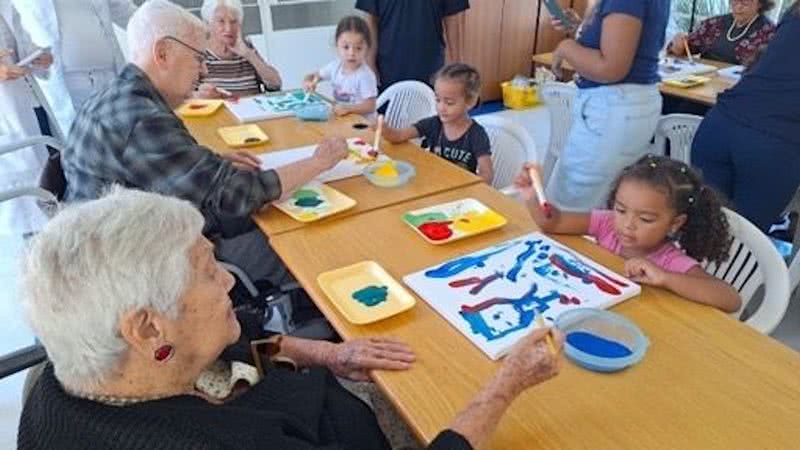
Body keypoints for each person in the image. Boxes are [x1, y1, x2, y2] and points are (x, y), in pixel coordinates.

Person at [17, 187, 563, 449]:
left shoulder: (86, 374)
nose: (229, 280)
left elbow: (244, 350)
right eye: (208, 271)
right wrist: (503, 388)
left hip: (319, 403)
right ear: (148, 327)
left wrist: (328, 352)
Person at [60, 0, 347, 286]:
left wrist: (205, 161)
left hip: (118, 241)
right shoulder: (142, 119)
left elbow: (160, 167)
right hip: (144, 269)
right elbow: (238, 194)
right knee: (305, 245)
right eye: (198, 58)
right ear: (162, 53)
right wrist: (318, 162)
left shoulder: (118, 96)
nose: (204, 72)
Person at [515, 155, 741, 313]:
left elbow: (730, 299)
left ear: (675, 223)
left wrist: (665, 277)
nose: (627, 224)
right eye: (621, 210)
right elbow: (555, 223)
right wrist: (533, 196)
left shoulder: (669, 260)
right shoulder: (607, 224)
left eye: (645, 219)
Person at [547, 0, 669, 211]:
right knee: (606, 205)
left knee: (570, 209)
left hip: (613, 107)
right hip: (625, 106)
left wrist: (565, 48)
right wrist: (583, 27)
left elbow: (611, 68)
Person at [691, 3, 800, 232]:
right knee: (744, 244)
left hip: (720, 124)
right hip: (773, 141)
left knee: (703, 232)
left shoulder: (794, 13)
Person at [12, 0, 137, 133]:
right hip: (69, 86)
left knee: (129, 136)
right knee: (87, 145)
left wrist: (158, 29)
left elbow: (124, 10)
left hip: (110, 75)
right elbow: (15, 30)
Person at [381, 63, 493, 183]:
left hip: (460, 191)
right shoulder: (433, 124)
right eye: (438, 100)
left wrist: (473, 185)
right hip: (434, 183)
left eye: (449, 103)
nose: (441, 107)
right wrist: (384, 129)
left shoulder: (477, 134)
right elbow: (398, 136)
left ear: (470, 101)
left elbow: (487, 174)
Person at [0, 2, 54, 237]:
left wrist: (39, 57)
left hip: (32, 103)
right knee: (28, 210)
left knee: (52, 181)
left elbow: (22, 43)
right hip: (8, 115)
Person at [355, 0, 470, 90]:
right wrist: (370, 65)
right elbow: (370, 18)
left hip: (430, 66)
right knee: (387, 117)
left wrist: (456, 69)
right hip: (387, 66)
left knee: (429, 117)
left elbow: (454, 18)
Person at [195, 0, 281, 99]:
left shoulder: (246, 48)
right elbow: (182, 98)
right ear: (208, 24)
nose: (228, 28)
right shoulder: (198, 53)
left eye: (233, 22)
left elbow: (275, 85)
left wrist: (249, 55)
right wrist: (198, 96)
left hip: (251, 112)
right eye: (221, 21)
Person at [303, 16, 377, 119]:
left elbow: (370, 106)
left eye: (358, 48)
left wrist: (348, 108)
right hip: (344, 120)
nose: (351, 53)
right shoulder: (335, 67)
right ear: (337, 46)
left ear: (367, 48)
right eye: (346, 47)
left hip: (363, 126)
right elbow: (313, 76)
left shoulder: (365, 76)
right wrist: (308, 82)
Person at [668, 0, 775, 66]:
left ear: (760, 3)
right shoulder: (714, 23)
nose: (738, 6)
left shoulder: (769, 32)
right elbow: (686, 48)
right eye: (734, 1)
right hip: (701, 81)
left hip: (737, 89)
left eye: (745, 1)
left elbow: (765, 67)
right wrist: (678, 45)